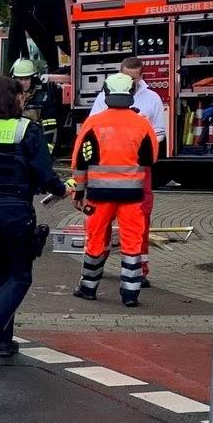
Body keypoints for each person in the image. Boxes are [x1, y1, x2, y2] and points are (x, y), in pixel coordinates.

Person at [0, 77, 67, 361]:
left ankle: (1, 341)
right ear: (15, 99)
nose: (24, 100)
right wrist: (62, 189)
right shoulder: (28, 130)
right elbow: (44, 173)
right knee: (19, 275)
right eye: (21, 96)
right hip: (14, 211)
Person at [71, 73, 159, 307]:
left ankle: (88, 288)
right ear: (130, 95)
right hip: (132, 196)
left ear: (106, 94)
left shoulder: (93, 123)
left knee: (96, 240)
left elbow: (80, 161)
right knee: (132, 243)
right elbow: (151, 158)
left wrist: (78, 191)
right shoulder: (142, 124)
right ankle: (130, 295)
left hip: (99, 196)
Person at [88, 56, 167, 153]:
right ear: (120, 74)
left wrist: (143, 148)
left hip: (140, 154)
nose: (129, 81)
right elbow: (92, 127)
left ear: (141, 76)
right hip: (110, 152)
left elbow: (159, 132)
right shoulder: (104, 96)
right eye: (126, 77)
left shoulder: (153, 98)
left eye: (133, 78)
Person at [12, 58, 66, 151]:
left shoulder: (43, 97)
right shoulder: (9, 97)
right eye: (20, 79)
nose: (23, 83)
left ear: (33, 78)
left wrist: (46, 153)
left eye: (27, 79)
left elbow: (50, 128)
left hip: (35, 143)